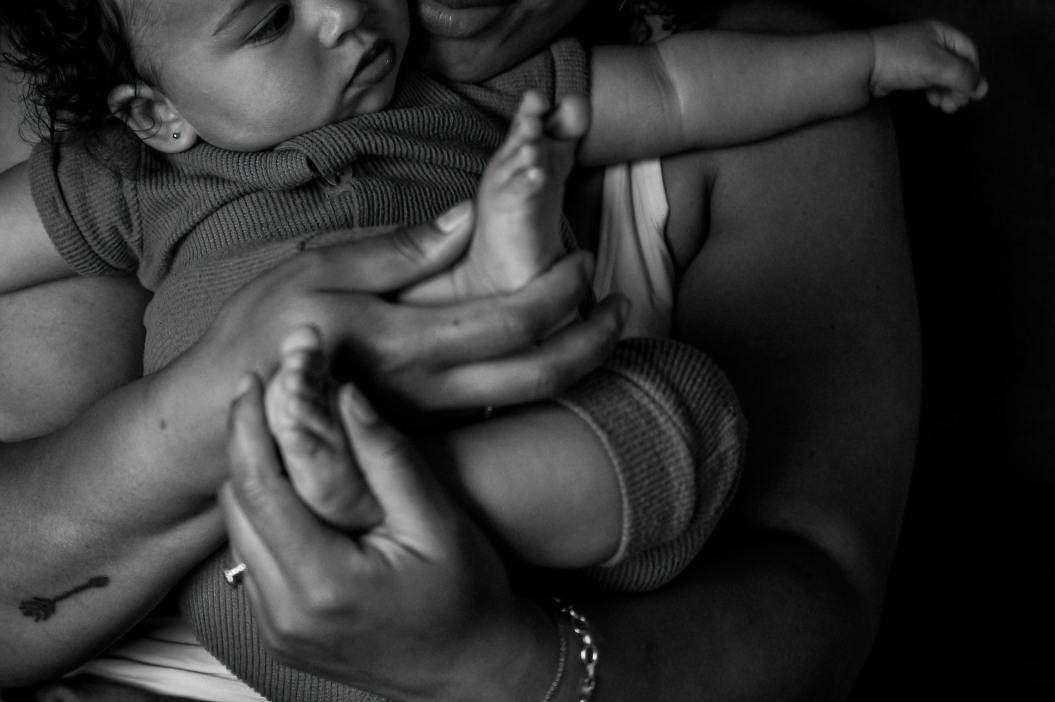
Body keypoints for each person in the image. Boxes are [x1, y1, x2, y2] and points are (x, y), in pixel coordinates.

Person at [0, 0, 926, 699]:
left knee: (688, 406)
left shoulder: (483, 99)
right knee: (244, 582)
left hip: (511, 481)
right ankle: (394, 419)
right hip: (266, 531)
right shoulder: (117, 164)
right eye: (271, 20)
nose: (346, 16)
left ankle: (444, 402)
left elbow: (683, 90)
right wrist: (210, 415)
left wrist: (868, 59)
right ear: (156, 112)